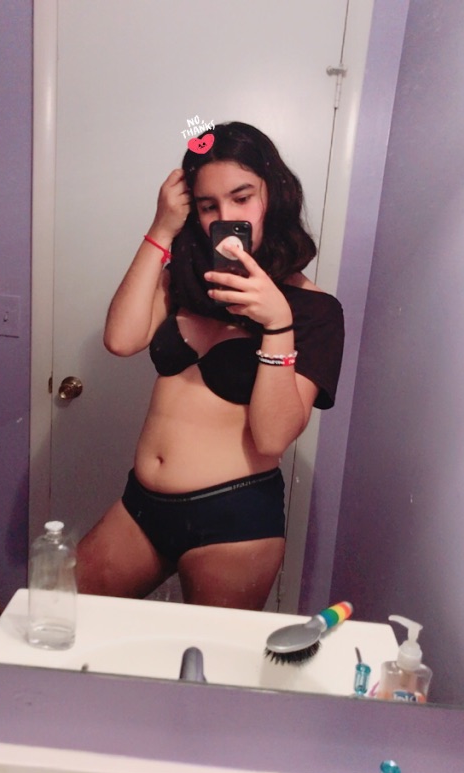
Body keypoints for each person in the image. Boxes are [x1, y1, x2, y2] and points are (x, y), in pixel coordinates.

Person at [77, 122, 344, 610]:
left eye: (242, 198)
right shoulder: (184, 277)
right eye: (208, 206)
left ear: (274, 194)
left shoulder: (314, 311)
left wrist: (277, 323)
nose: (226, 218)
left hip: (234, 518)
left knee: (205, 657)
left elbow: (272, 438)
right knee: (59, 613)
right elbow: (121, 340)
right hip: (141, 507)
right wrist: (161, 229)